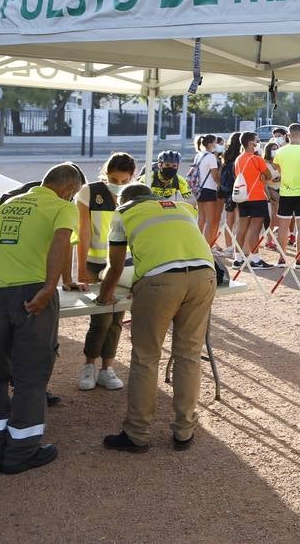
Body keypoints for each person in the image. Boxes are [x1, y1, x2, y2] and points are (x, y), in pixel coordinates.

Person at [0, 162, 85, 474]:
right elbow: (62, 242)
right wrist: (51, 286)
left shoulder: (7, 203)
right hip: (31, 295)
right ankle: (21, 451)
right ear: (69, 190)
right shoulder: (62, 208)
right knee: (30, 377)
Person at [100, 184, 216, 453]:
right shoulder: (183, 207)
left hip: (159, 281)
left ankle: (137, 433)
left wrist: (104, 296)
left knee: (146, 357)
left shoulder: (123, 212)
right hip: (204, 277)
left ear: (123, 200)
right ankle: (185, 431)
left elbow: (116, 266)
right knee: (189, 355)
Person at [75, 152, 137, 393]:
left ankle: (107, 368)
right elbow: (83, 233)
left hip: (125, 265)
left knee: (116, 320)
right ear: (105, 173)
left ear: (132, 177)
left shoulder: (135, 196)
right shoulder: (88, 191)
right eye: (114, 179)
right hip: (96, 263)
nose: (118, 185)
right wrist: (81, 268)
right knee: (100, 319)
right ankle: (89, 365)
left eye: (124, 181)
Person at [273, 123, 300, 263]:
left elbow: (278, 169)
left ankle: (281, 258)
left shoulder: (280, 151)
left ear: (288, 135)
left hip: (285, 192)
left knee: (283, 227)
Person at [233, 131, 275, 269]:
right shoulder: (257, 159)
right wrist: (262, 176)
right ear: (251, 143)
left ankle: (237, 258)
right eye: (256, 141)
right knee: (255, 229)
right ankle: (255, 259)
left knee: (242, 228)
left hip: (243, 196)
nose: (258, 143)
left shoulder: (239, 159)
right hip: (257, 196)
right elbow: (268, 175)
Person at [190, 134, 224, 247]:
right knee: (210, 219)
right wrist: (220, 185)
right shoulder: (211, 157)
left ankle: (197, 243)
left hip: (199, 189)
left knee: (201, 217)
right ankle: (207, 245)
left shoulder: (198, 155)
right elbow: (215, 176)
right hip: (209, 189)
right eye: (215, 142)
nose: (216, 145)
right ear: (210, 144)